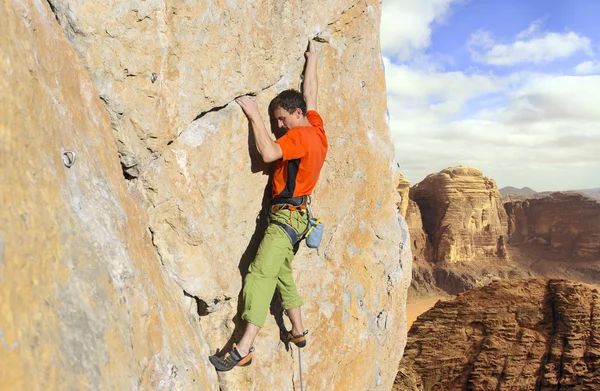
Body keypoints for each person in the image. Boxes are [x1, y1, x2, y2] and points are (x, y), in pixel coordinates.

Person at [209, 40, 328, 371]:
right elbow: (312, 93)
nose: (278, 125)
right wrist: (311, 59)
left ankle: (244, 346)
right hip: (300, 219)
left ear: (296, 114)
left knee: (260, 272)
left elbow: (268, 154)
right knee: (281, 273)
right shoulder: (316, 130)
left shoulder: (300, 137)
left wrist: (254, 116)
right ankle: (299, 331)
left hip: (285, 219)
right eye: (274, 120)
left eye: (281, 118)